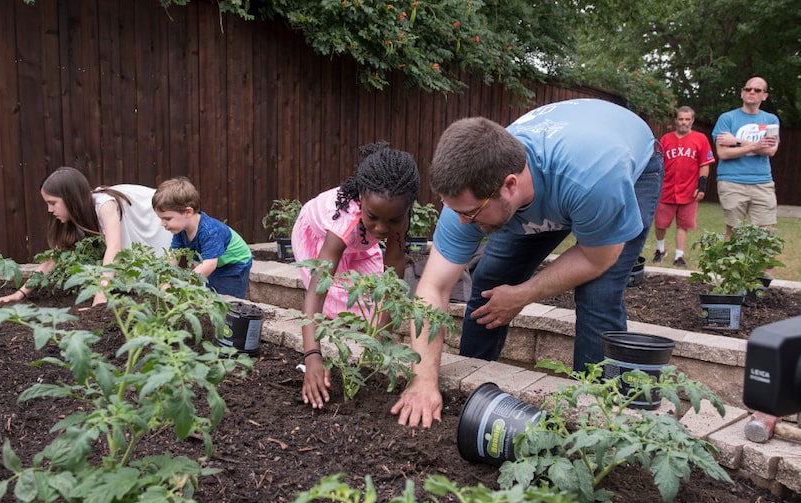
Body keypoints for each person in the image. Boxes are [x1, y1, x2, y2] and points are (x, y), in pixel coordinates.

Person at [390, 98, 663, 428]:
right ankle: (473, 383)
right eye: (455, 210)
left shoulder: (594, 180)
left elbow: (596, 258)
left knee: (597, 296)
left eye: (470, 213)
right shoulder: (469, 196)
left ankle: (591, 419)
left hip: (626, 168)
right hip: (551, 183)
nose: (461, 222)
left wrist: (522, 295)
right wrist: (423, 380)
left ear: (509, 185)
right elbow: (433, 288)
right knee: (490, 278)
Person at [293, 142, 420, 410]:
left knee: (371, 305)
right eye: (373, 216)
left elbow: (393, 269)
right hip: (320, 237)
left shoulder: (395, 217)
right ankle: (330, 357)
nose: (383, 228)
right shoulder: (345, 220)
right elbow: (318, 288)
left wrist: (383, 335)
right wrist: (313, 356)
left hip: (359, 243)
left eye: (394, 220)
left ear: (407, 208)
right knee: (336, 304)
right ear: (361, 197)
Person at [0, 166, 173, 307]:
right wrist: (20, 294)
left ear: (70, 199)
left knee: (160, 280)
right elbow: (53, 260)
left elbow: (114, 247)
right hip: (138, 223)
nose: (49, 210)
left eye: (53, 203)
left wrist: (101, 291)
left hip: (153, 217)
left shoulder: (104, 205)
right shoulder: (76, 217)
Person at [152, 176, 253, 298]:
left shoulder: (209, 231)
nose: (163, 223)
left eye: (167, 218)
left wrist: (181, 286)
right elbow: (174, 256)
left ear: (188, 212)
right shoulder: (180, 230)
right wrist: (165, 280)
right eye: (161, 218)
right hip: (215, 263)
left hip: (234, 265)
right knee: (211, 294)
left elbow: (209, 265)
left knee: (228, 301)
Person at [712, 76, 780, 241]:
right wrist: (757, 146)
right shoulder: (727, 119)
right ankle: (731, 268)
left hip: (762, 182)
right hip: (732, 182)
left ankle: (765, 268)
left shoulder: (771, 120)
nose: (751, 92)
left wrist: (737, 141)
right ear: (742, 93)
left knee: (766, 235)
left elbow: (771, 150)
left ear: (764, 96)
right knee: (734, 234)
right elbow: (723, 154)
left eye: (757, 90)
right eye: (747, 89)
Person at [652, 106, 715, 267]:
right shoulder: (665, 139)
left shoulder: (700, 139)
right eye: (681, 119)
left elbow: (704, 164)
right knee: (660, 223)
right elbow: (658, 163)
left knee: (683, 225)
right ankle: (660, 250)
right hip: (666, 189)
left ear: (692, 120)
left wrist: (701, 187)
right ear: (676, 120)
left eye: (687, 119)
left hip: (688, 191)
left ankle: (679, 256)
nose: (684, 122)